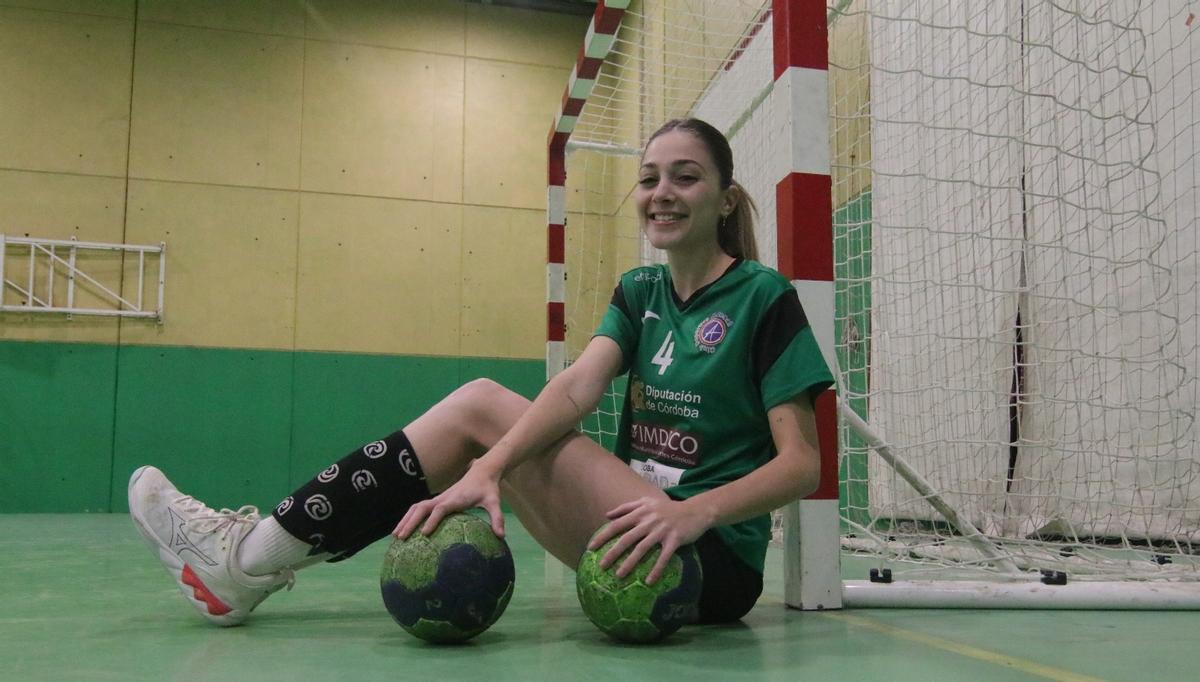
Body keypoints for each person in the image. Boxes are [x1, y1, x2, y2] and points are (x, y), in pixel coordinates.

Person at [128, 117, 833, 628]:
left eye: (686, 176)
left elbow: (802, 464)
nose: (663, 192)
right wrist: (490, 469)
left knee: (479, 403)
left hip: (703, 559)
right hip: (625, 528)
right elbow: (576, 389)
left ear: (725, 196)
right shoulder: (639, 291)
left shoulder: (762, 297)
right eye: (650, 178)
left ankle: (241, 561)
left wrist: (694, 511)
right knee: (482, 426)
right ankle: (246, 565)